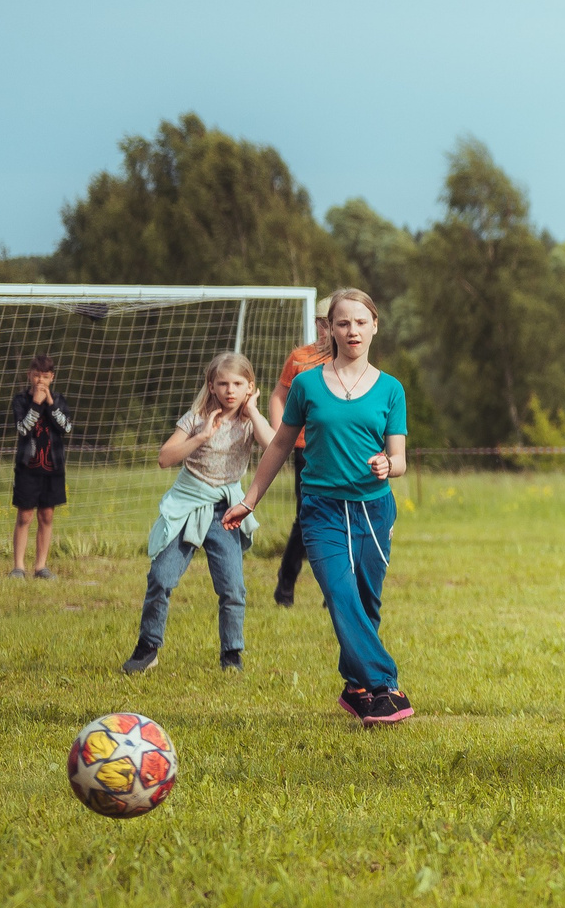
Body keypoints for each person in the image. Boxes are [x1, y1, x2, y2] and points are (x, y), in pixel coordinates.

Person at [222, 289, 415, 726]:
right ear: (329, 328)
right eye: (343, 323)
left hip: (373, 511)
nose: (352, 331)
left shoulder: (391, 389)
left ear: (375, 326)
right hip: (322, 510)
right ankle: (385, 686)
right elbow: (279, 445)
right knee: (341, 595)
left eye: (361, 322)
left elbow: (400, 459)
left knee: (365, 602)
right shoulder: (307, 384)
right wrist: (249, 501)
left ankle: (356, 687)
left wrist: (389, 465)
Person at [124, 352, 273, 675]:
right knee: (161, 577)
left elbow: (274, 446)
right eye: (223, 383)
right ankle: (148, 648)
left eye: (238, 384)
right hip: (188, 505)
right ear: (211, 385)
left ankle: (231, 653)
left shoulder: (250, 421)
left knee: (232, 588)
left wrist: (253, 411)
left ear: (250, 387)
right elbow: (165, 458)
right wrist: (202, 436)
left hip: (226, 511)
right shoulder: (195, 418)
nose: (230, 390)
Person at [267, 299, 335, 607]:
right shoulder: (300, 358)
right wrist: (279, 435)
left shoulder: (350, 358)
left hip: (339, 447)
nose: (327, 330)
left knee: (341, 516)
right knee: (307, 515)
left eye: (333, 323)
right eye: (323, 323)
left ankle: (334, 592)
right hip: (306, 448)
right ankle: (286, 585)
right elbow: (278, 396)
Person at [9, 353, 71, 579]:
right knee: (25, 516)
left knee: (46, 516)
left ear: (52, 377)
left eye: (45, 377)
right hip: (28, 468)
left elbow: (66, 428)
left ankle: (40, 566)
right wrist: (36, 403)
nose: (40, 381)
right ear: (29, 375)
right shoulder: (21, 401)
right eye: (36, 376)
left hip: (53, 469)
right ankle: (18, 567)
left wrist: (50, 404)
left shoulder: (59, 400)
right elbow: (23, 429)